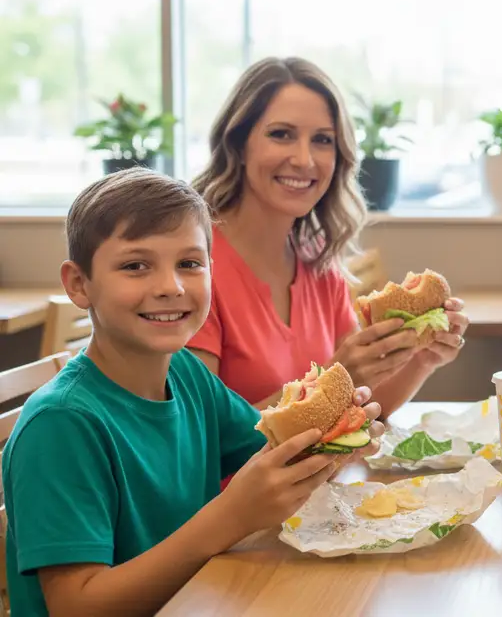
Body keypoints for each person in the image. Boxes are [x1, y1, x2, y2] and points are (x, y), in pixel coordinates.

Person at [1, 168, 386, 616]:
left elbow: (270, 453)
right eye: (135, 265)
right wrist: (229, 518)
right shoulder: (61, 424)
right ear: (78, 284)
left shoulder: (185, 372)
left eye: (189, 263)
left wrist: (331, 437)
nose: (170, 287)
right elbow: (76, 606)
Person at [188, 56, 468, 417]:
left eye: (322, 140)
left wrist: (422, 360)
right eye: (281, 134)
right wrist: (332, 383)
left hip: (324, 476)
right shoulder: (192, 269)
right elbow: (204, 440)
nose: (305, 159)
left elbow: (364, 406)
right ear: (239, 145)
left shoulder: (318, 260)